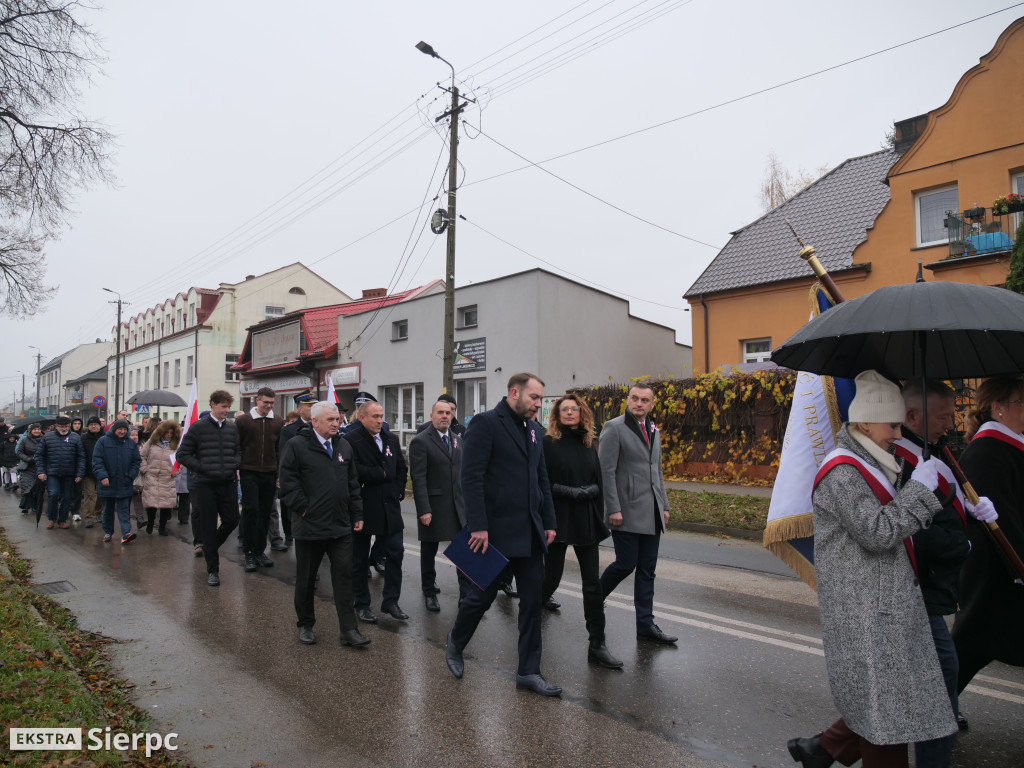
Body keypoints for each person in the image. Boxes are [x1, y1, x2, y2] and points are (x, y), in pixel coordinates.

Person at [787, 370, 956, 768]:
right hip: (867, 613)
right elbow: (878, 532)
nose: (899, 434)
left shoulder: (877, 461)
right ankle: (825, 749)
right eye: (893, 424)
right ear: (864, 421)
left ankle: (824, 750)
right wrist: (919, 491)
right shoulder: (844, 471)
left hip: (883, 609)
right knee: (884, 721)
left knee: (883, 712)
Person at [893, 380, 993, 767]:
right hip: (920, 583)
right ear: (912, 416)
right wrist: (960, 546)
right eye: (942, 417)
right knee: (940, 676)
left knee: (923, 679)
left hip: (933, 584)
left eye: (952, 416)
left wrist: (973, 509)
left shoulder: (931, 453)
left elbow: (943, 503)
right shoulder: (902, 461)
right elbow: (912, 526)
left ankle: (827, 746)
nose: (949, 424)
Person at [444, 372, 560, 697]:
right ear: (514, 393)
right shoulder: (486, 424)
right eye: (534, 398)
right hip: (493, 532)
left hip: (530, 532)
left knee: (532, 603)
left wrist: (549, 521)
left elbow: (542, 481)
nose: (539, 404)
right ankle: (455, 641)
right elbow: (471, 477)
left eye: (540, 399)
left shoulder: (535, 431)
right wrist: (478, 524)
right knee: (480, 598)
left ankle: (528, 672)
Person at [952, 376, 1024, 696]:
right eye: (1021, 402)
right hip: (998, 569)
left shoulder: (1009, 445)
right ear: (998, 409)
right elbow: (1004, 519)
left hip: (1006, 569)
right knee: (972, 647)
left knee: (974, 646)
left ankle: (937, 704)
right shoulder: (987, 451)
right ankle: (931, 706)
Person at [278, 401, 370, 648]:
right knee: (307, 579)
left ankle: (349, 631)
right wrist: (305, 508)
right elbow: (287, 483)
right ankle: (306, 624)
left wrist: (357, 513)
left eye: (337, 420)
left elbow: (352, 483)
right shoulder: (297, 445)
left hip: (340, 526)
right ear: (315, 421)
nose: (336, 424)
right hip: (310, 526)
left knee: (344, 577)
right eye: (330, 420)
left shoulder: (343, 445)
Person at [542, 392, 621, 669]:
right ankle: (530, 619)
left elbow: (598, 480)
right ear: (557, 415)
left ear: (582, 413)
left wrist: (589, 490)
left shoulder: (590, 443)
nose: (569, 413)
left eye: (574, 409)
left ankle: (597, 644)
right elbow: (543, 483)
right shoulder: (548, 444)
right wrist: (569, 491)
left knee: (592, 584)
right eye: (564, 409)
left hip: (585, 517)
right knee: (551, 578)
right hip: (559, 517)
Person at [598, 382, 676, 644]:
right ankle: (594, 599)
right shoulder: (614, 428)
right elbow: (606, 472)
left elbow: (658, 471)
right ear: (628, 400)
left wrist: (663, 505)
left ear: (652, 404)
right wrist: (613, 508)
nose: (639, 403)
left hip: (651, 510)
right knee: (625, 563)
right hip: (626, 510)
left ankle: (645, 624)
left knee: (647, 570)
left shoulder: (654, 428)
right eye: (635, 398)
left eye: (644, 400)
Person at [346, 399, 408, 622]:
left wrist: (399, 490)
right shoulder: (351, 440)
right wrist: (379, 474)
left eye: (381, 416)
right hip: (364, 505)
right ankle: (361, 603)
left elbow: (401, 467)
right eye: (375, 416)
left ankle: (391, 601)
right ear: (362, 417)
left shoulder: (390, 438)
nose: (380, 420)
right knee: (359, 558)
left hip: (390, 506)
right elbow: (351, 471)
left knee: (396, 552)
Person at [176, 390, 242, 587]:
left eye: (229, 407)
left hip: (228, 482)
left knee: (232, 520)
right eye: (223, 406)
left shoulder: (232, 429)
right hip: (205, 485)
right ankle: (213, 570)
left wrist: (234, 464)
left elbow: (238, 451)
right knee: (208, 526)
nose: (227, 411)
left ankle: (210, 546)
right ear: (213, 404)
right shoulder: (198, 428)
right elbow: (182, 455)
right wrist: (203, 467)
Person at [409, 399, 469, 612]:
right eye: (440, 412)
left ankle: (465, 595)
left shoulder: (456, 440)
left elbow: (462, 474)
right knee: (429, 550)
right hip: (433, 506)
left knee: (462, 550)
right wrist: (424, 509)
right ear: (432, 415)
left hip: (457, 506)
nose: (445, 416)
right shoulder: (421, 441)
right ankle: (429, 591)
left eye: (448, 412)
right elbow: (418, 478)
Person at [236, 387, 285, 571]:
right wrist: (239, 465)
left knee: (265, 511)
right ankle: (248, 552)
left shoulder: (278, 421)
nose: (268, 406)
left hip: (270, 472)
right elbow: (237, 446)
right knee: (251, 510)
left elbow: (279, 449)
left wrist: (279, 472)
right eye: (265, 402)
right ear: (257, 400)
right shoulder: (243, 421)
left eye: (271, 403)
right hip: (249, 471)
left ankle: (259, 550)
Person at [92, 418, 142, 545]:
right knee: (108, 509)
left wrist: (131, 475)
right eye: (120, 429)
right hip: (108, 481)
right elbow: (97, 460)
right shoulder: (103, 441)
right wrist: (103, 476)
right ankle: (108, 532)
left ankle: (126, 533)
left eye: (125, 429)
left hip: (124, 481)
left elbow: (136, 461)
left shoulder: (130, 443)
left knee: (124, 509)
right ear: (114, 429)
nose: (122, 431)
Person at [278, 389, 316, 547]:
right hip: (298, 478)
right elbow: (283, 457)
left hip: (315, 477)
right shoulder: (289, 430)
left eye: (315, 405)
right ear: (300, 409)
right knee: (291, 510)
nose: (313, 408)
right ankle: (289, 536)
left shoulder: (321, 426)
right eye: (309, 406)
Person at [35, 415, 85, 529]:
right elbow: (39, 455)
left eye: (66, 426)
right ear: (56, 426)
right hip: (52, 472)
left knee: (67, 497)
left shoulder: (75, 438)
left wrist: (79, 473)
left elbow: (81, 457)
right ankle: (51, 518)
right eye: (62, 426)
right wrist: (41, 471)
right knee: (53, 494)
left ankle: (62, 520)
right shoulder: (47, 437)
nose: (64, 429)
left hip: (69, 473)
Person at [139, 420, 182, 535]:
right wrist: (144, 468)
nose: (168, 434)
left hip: (167, 478)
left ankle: (162, 527)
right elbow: (142, 456)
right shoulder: (151, 443)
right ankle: (150, 523)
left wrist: (175, 472)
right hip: (152, 476)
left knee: (166, 504)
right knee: (151, 503)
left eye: (171, 433)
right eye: (166, 432)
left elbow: (180, 461)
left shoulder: (175, 446)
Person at [78, 417, 105, 528]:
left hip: (102, 471)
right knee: (89, 494)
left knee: (101, 494)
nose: (94, 426)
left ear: (100, 426)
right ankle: (89, 517)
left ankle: (98, 513)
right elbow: (81, 455)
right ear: (88, 426)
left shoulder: (105, 438)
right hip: (88, 471)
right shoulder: (83, 439)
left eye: (96, 424)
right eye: (91, 424)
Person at [16, 424, 44, 516]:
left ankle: (35, 505)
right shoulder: (24, 440)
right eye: (34, 429)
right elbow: (19, 452)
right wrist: (28, 459)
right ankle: (25, 505)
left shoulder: (44, 440)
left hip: (40, 467)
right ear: (31, 431)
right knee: (26, 486)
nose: (37, 431)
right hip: (27, 467)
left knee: (37, 488)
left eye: (38, 429)